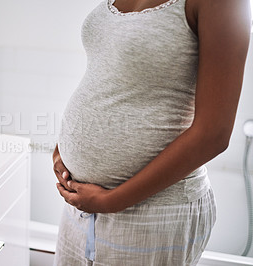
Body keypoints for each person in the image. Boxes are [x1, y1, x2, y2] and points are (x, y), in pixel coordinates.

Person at [52, 0, 251, 265]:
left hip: (154, 212)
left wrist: (111, 201)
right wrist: (62, 151)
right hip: (82, 207)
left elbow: (214, 134)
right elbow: (112, 75)